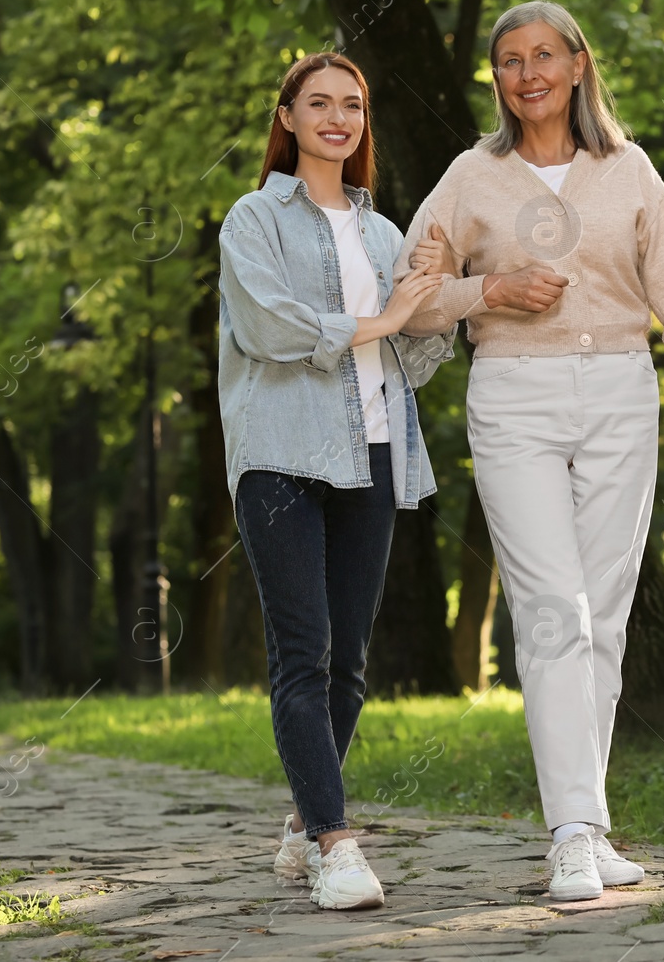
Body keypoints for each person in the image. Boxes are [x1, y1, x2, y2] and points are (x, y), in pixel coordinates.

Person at [396, 0, 664, 902]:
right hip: (514, 394)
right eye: (509, 60)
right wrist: (492, 286)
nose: (528, 74)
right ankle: (567, 832)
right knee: (553, 611)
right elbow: (413, 283)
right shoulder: (472, 176)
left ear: (577, 66)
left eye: (544, 56)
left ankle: (587, 824)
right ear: (497, 79)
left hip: (620, 398)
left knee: (602, 613)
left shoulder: (627, 170)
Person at [218, 52, 456, 910]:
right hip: (282, 455)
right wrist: (387, 315)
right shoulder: (253, 219)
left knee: (349, 663)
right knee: (303, 653)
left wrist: (439, 298)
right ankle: (335, 842)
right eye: (317, 103)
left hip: (376, 449)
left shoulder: (385, 234)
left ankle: (303, 819)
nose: (336, 117)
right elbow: (269, 327)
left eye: (351, 104)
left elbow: (414, 356)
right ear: (286, 117)